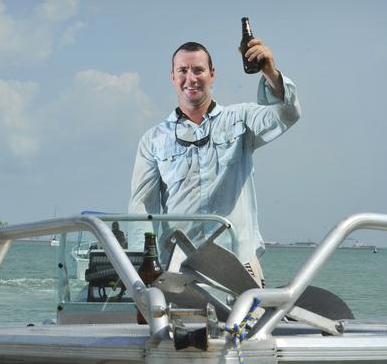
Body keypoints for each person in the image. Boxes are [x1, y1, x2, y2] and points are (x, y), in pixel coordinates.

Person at [128, 39, 301, 286]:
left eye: (198, 70)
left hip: (239, 261)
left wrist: (269, 71)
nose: (191, 78)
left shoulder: (241, 118)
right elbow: (141, 210)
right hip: (180, 265)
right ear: (172, 77)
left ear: (212, 74)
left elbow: (287, 113)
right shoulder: (153, 139)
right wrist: (139, 271)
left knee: (249, 323)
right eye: (183, 71)